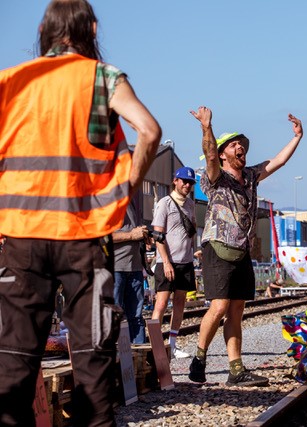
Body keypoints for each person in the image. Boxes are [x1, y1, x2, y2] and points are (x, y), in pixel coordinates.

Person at [0, 1, 161, 425]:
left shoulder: (11, 81)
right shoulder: (103, 78)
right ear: (90, 28)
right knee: (93, 369)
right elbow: (149, 130)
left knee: (13, 367)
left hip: (21, 240)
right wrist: (125, 189)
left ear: (43, 30)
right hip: (85, 240)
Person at [188, 105, 303, 386]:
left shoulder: (250, 176)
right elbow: (210, 154)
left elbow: (277, 162)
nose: (241, 147)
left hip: (241, 251)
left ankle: (236, 370)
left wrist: (297, 137)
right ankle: (199, 359)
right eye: (235, 144)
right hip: (218, 247)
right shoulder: (215, 177)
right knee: (219, 306)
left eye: (242, 144)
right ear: (225, 152)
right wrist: (206, 127)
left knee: (237, 310)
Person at [151, 166, 198, 359]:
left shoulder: (191, 205)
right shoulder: (165, 203)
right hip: (167, 262)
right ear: (175, 181)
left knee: (180, 303)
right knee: (161, 303)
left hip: (185, 262)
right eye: (184, 181)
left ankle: (172, 344)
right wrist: (166, 262)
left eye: (190, 183)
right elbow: (157, 235)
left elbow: (192, 229)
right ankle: (154, 345)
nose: (187, 185)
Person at [112, 191, 149, 344]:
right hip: (115, 267)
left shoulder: (131, 199)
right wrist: (131, 235)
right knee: (113, 317)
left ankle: (139, 361)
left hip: (134, 266)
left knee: (136, 317)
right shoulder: (107, 200)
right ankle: (114, 362)